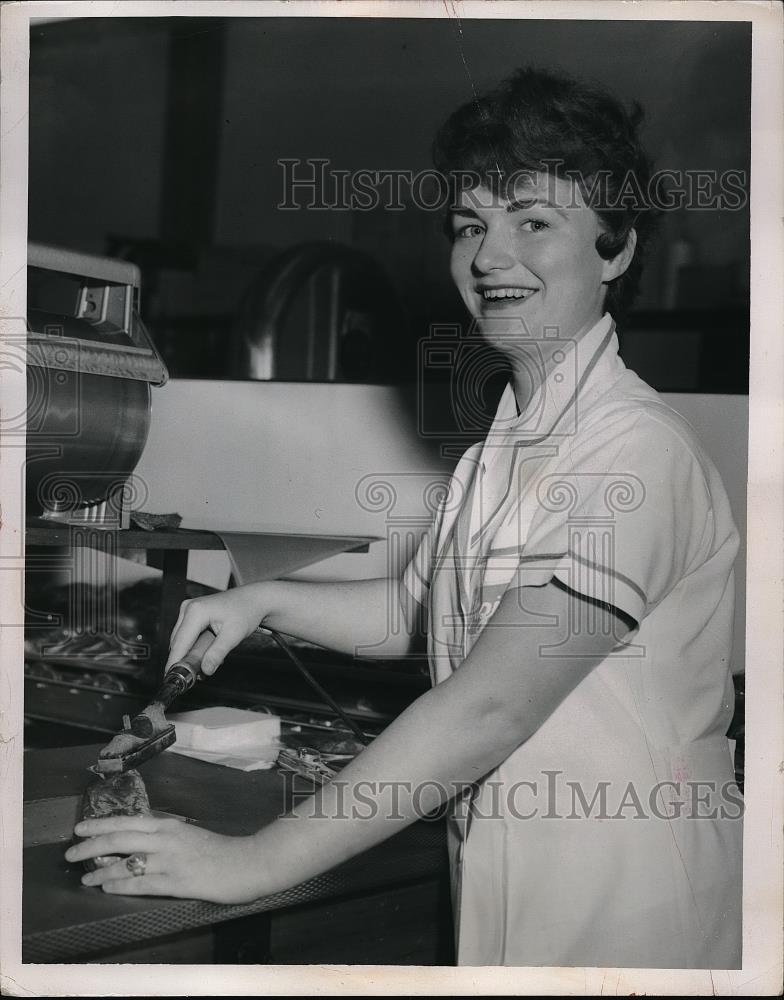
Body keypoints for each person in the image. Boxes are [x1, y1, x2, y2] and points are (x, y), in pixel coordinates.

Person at [67, 67, 743, 969]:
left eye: (534, 221)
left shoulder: (634, 450)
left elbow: (492, 700)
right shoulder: (501, 448)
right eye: (471, 226)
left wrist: (253, 861)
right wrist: (264, 601)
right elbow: (423, 614)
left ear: (615, 250)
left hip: (631, 893)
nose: (490, 258)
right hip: (513, 868)